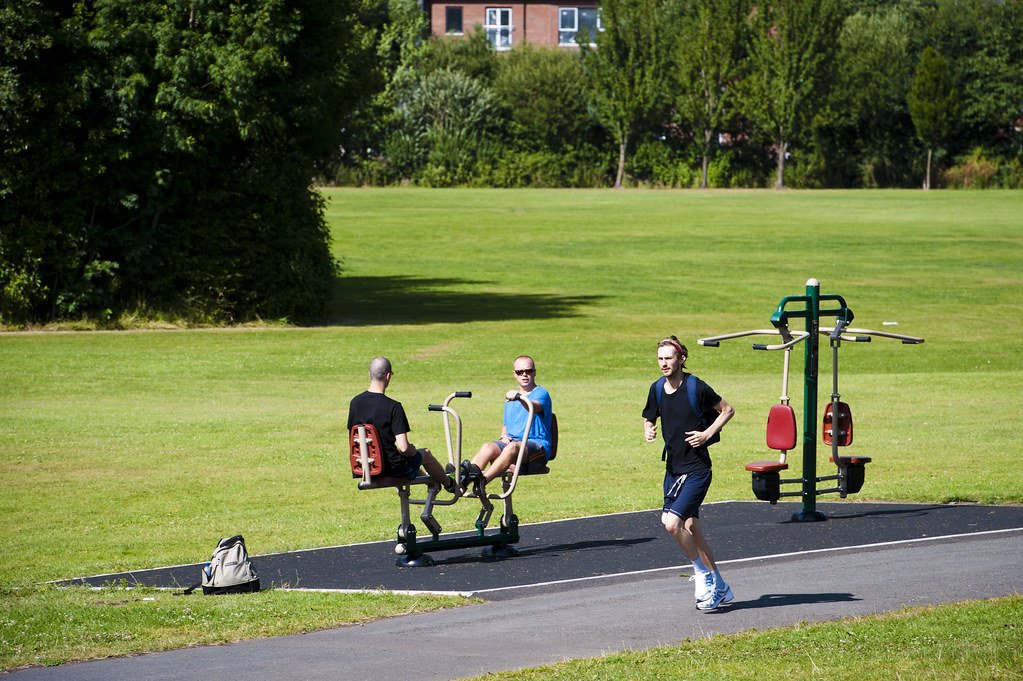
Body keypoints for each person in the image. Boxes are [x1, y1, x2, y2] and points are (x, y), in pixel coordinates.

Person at [642, 336, 735, 611]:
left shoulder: (696, 387)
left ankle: (703, 575)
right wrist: (648, 428)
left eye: (669, 358)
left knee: (672, 524)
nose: (664, 363)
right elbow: (649, 415)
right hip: (673, 470)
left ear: (681, 359)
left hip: (697, 470)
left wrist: (707, 433)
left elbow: (727, 410)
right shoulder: (657, 388)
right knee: (691, 528)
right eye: (660, 358)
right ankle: (721, 587)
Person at [347, 356, 456, 493]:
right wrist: (412, 449)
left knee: (409, 460)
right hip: (390, 468)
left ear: (370, 374)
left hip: (365, 468)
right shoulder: (393, 406)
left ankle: (432, 483)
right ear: (388, 376)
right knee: (424, 454)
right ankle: (450, 484)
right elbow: (403, 448)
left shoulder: (355, 402)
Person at [459, 355, 554, 489]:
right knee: (488, 447)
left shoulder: (541, 393)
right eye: (520, 372)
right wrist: (503, 436)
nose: (525, 375)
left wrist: (520, 398)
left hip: (537, 446)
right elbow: (506, 425)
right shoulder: (510, 401)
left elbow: (534, 407)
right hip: (513, 444)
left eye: (529, 371)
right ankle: (462, 482)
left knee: (513, 447)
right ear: (514, 374)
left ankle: (482, 481)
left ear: (535, 372)